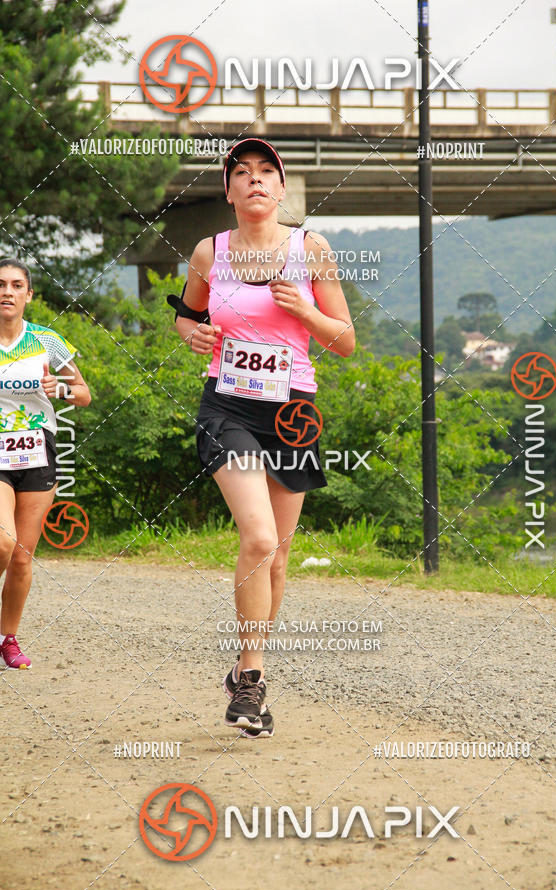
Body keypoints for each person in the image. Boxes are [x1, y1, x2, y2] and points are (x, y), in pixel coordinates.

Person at [170, 138, 355, 738]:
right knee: (258, 536)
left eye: (265, 172)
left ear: (281, 189)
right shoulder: (209, 251)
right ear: (228, 191)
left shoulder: (310, 249)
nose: (254, 180)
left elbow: (345, 340)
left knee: (277, 556)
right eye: (241, 172)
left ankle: (249, 670)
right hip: (227, 406)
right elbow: (189, 314)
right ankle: (251, 678)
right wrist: (192, 335)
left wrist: (303, 310)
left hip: (292, 413)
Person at [0, 258, 91, 669]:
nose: (7, 292)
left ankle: (8, 639)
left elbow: (83, 394)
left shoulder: (47, 340)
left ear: (29, 295)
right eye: (0, 284)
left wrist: (62, 390)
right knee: (3, 541)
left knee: (21, 555)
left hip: (37, 449)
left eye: (17, 285)